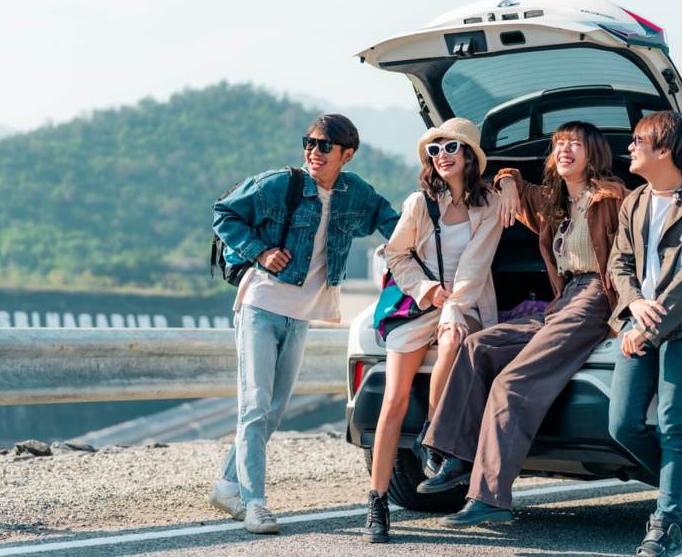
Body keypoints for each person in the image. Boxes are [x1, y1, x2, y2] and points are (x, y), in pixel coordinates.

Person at [420, 121, 626, 528]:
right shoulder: (555, 201)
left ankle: (491, 497)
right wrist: (509, 181)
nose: (564, 149)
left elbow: (650, 212)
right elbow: (509, 179)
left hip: (596, 299)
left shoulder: (613, 196)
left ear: (595, 154)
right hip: (563, 301)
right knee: (479, 346)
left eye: (575, 144)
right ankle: (456, 457)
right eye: (559, 143)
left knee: (512, 382)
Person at [210, 114, 399, 534]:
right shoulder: (279, 184)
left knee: (272, 410)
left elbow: (394, 222)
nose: (314, 151)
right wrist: (259, 252)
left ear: (346, 154)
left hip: (302, 314)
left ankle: (226, 486)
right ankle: (254, 503)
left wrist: (420, 243)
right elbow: (225, 214)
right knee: (256, 405)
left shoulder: (355, 194)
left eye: (325, 146)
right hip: (260, 304)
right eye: (310, 142)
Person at [363, 118, 502, 543]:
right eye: (434, 150)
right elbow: (396, 254)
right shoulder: (419, 203)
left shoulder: (490, 205)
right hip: (419, 304)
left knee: (454, 339)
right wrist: (427, 291)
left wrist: (452, 306)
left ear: (469, 156)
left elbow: (476, 268)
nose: (440, 156)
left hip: (467, 302)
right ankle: (377, 501)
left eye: (450, 149)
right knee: (393, 401)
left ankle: (434, 438)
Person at [607, 111, 682, 557]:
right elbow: (618, 263)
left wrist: (648, 328)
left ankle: (666, 527)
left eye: (639, 140)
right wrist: (634, 305)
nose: (631, 146)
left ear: (664, 149)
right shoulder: (634, 201)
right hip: (639, 323)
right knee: (622, 425)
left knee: (673, 423)